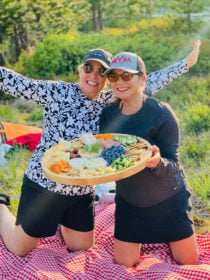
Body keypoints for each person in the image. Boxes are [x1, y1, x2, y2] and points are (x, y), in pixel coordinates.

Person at [0, 41, 201, 257]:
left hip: (82, 189)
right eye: (88, 68)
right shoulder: (56, 92)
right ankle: (1, 205)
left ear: (108, 79)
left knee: (82, 249)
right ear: (80, 71)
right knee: (18, 250)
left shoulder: (110, 99)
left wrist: (186, 63)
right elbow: (16, 82)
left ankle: (60, 221)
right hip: (45, 186)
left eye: (101, 71)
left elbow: (147, 81)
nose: (94, 76)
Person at [99, 51, 199, 267]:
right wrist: (105, 150)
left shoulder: (162, 114)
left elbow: (173, 165)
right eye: (113, 77)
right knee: (123, 266)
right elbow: (110, 162)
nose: (119, 82)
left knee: (190, 263)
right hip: (129, 203)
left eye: (127, 76)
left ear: (143, 79)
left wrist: (157, 162)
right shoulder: (107, 115)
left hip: (169, 200)